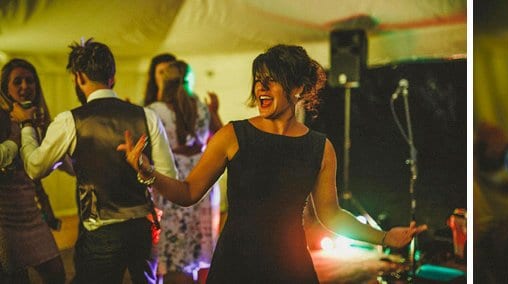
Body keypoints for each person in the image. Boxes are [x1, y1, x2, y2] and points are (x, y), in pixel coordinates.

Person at [117, 44, 427, 283]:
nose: (261, 88)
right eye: (258, 81)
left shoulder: (320, 147)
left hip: (289, 267)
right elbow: (188, 192)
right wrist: (148, 173)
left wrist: (385, 237)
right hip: (236, 264)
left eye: (271, 81)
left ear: (298, 89)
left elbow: (331, 214)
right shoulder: (233, 135)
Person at [10, 39, 178, 283]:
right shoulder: (146, 116)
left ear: (78, 77)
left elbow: (35, 168)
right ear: (113, 77)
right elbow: (169, 177)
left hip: (101, 233)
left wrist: (26, 127)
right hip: (143, 227)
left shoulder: (70, 120)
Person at [144, 57, 219, 283]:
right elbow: (217, 134)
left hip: (173, 180)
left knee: (175, 252)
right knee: (192, 252)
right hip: (202, 178)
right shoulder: (202, 107)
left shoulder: (154, 111)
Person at [0, 59, 65, 283]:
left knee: (57, 274)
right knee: (16, 278)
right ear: (5, 88)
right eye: (17, 81)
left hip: (30, 213)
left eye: (30, 81)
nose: (25, 86)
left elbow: (36, 172)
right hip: (4, 217)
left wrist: (46, 209)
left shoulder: (38, 119)